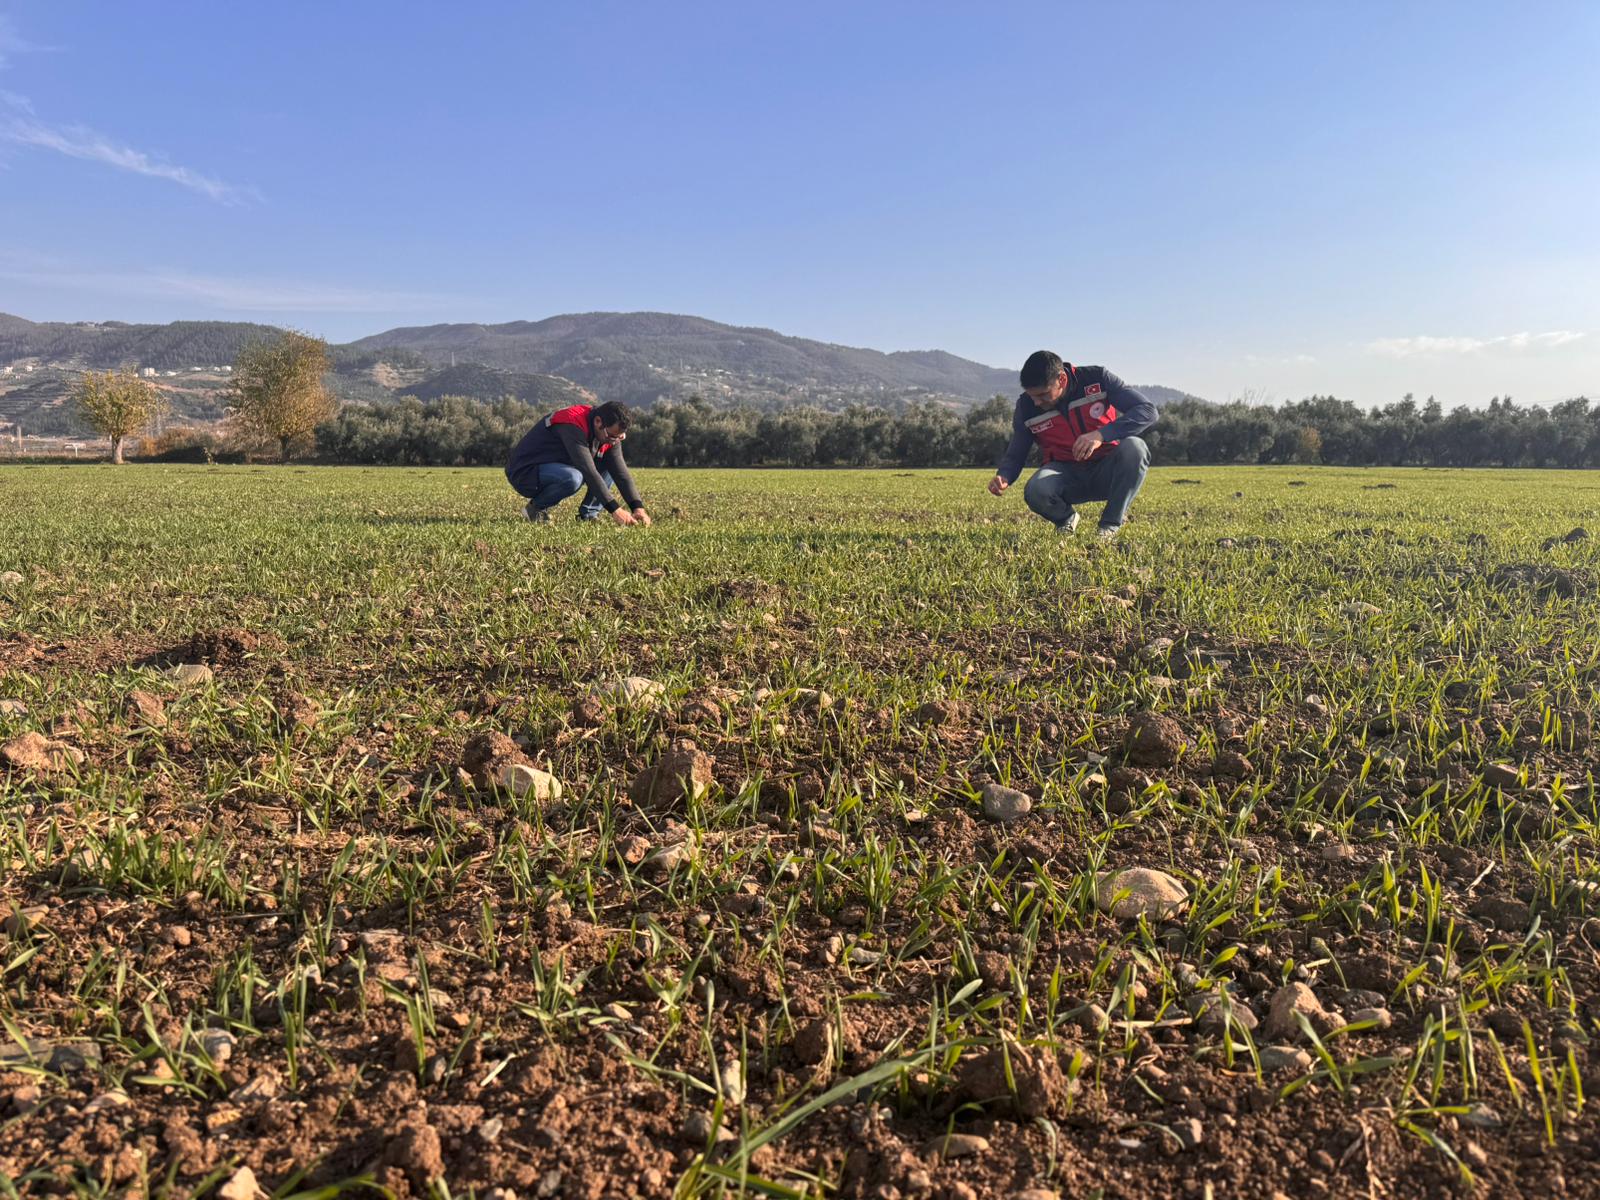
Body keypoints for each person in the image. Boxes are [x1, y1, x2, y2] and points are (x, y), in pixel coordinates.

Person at [987, 350, 1157, 542]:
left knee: (1135, 448)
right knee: (1036, 490)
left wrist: (1101, 435)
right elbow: (1018, 449)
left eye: (1043, 395)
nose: (1037, 402)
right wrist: (1005, 475)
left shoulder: (1097, 379)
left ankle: (1109, 526)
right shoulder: (1026, 406)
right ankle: (1065, 519)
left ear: (1061, 379)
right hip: (1065, 475)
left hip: (1106, 470)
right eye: (1032, 395)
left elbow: (1147, 410)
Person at [506, 399, 652, 526]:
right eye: (612, 436)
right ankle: (535, 509)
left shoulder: (609, 434)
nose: (614, 441)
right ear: (598, 422)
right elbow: (588, 470)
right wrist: (615, 510)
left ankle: (588, 515)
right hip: (524, 472)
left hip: (553, 468)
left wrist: (638, 508)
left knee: (609, 466)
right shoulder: (572, 423)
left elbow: (621, 473)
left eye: (620, 437)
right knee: (573, 477)